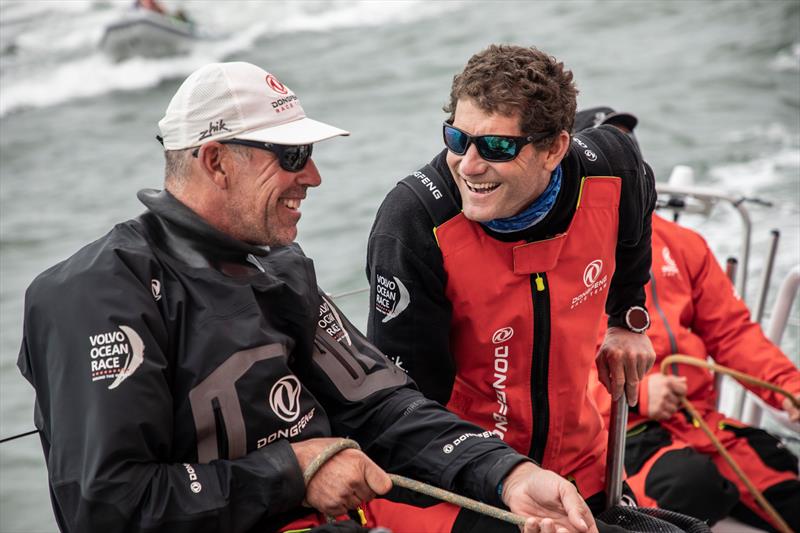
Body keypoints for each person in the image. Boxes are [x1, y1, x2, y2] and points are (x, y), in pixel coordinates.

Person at [17, 62, 598, 533]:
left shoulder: (278, 269)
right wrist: (291, 472)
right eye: (292, 157)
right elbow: (106, 505)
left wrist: (508, 476)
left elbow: (380, 405)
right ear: (216, 161)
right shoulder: (94, 294)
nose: (314, 176)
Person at [365, 44, 657, 527]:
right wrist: (505, 475)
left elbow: (639, 203)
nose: (469, 165)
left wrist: (628, 317)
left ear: (554, 149)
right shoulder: (416, 221)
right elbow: (405, 411)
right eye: (457, 139)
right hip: (451, 482)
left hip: (580, 462)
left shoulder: (611, 166)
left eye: (497, 147)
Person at [589, 212, 800, 531]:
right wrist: (638, 394)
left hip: (695, 422)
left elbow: (732, 333)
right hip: (611, 434)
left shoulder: (682, 243)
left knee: (783, 477)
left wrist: (789, 388)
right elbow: (544, 370)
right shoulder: (561, 247)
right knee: (690, 486)